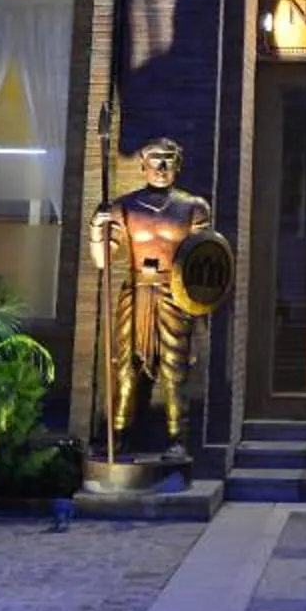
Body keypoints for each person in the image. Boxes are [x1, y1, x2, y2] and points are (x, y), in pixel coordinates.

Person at [90, 136, 218, 455]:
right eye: (155, 158)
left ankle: (178, 438)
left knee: (175, 369)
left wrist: (199, 301)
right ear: (143, 164)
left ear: (178, 164)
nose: (161, 166)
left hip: (175, 293)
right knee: (126, 369)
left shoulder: (193, 207)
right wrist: (96, 229)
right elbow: (103, 260)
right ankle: (119, 433)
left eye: (168, 159)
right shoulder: (124, 206)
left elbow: (205, 258)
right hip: (135, 291)